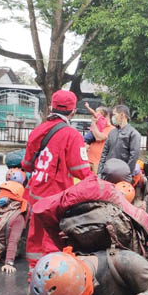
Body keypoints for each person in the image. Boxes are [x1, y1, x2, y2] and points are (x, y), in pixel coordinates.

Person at [21, 90, 92, 284]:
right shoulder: (72, 135)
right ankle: (47, 283)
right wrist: (98, 184)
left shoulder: (38, 131)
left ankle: (32, 280)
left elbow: (27, 164)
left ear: (51, 107)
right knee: (52, 240)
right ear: (73, 111)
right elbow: (81, 171)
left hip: (35, 195)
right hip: (56, 198)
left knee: (35, 238)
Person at [97, 104, 142, 177]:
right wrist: (100, 172)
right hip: (108, 172)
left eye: (114, 114)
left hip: (122, 175)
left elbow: (133, 157)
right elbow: (104, 153)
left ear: (122, 115)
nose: (113, 117)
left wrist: (127, 175)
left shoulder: (133, 134)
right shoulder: (112, 132)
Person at [85, 104, 114, 171]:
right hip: (89, 159)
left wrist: (94, 123)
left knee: (97, 180)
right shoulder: (100, 126)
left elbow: (98, 137)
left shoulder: (111, 129)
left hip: (98, 162)